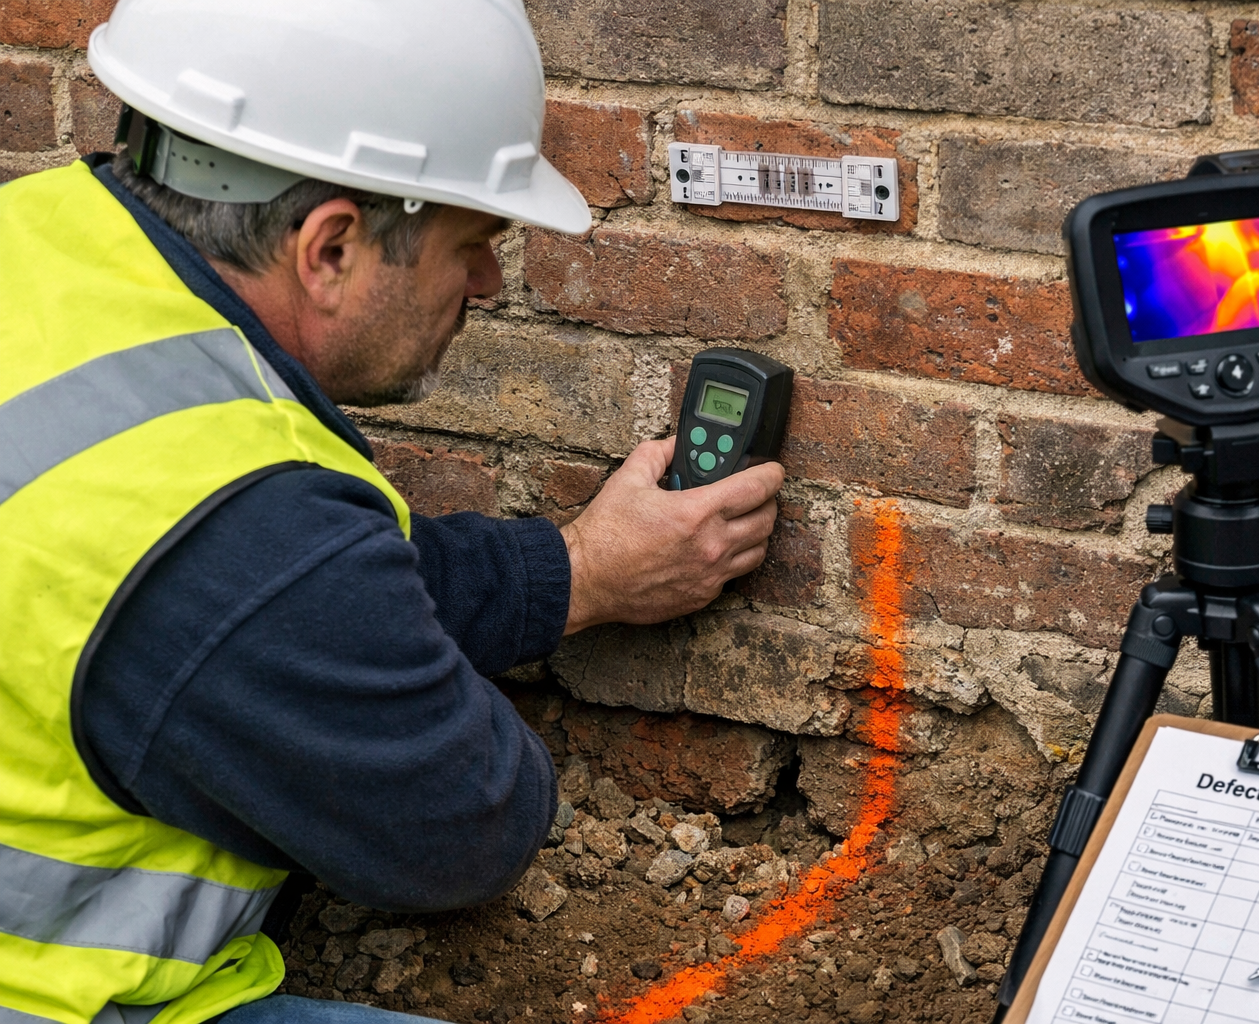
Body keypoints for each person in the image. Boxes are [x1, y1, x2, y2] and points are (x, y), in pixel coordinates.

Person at [0, 1, 783, 1022]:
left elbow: (306, 597)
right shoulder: (237, 530)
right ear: (329, 249)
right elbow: (461, 826)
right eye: (472, 243)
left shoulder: (42, 238)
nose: (493, 281)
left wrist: (579, 571)